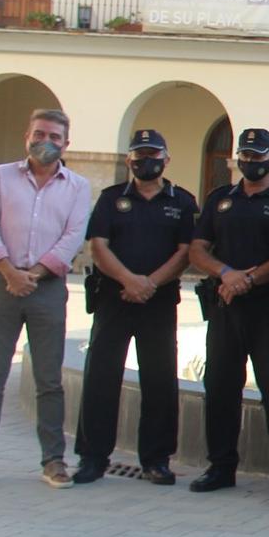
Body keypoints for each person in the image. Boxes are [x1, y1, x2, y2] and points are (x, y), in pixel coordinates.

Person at [0, 109, 93, 489]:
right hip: (2, 283)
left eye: (54, 137)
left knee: (49, 381)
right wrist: (11, 272)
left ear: (66, 143)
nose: (45, 142)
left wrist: (36, 274)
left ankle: (53, 461)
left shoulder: (77, 186)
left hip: (46, 288)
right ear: (26, 136)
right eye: (39, 134)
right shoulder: (0, 177)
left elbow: (73, 235)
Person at [72, 129, 198, 486]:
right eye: (139, 155)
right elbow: (99, 245)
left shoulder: (183, 202)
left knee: (159, 379)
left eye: (153, 154)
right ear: (129, 160)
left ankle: (156, 460)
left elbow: (186, 252)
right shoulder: (111, 199)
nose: (146, 161)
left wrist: (149, 284)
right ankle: (93, 457)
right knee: (101, 377)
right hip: (114, 298)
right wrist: (129, 280)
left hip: (158, 302)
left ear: (166, 160)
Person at [189, 128, 269, 493]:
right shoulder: (220, 199)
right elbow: (198, 248)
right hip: (225, 306)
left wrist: (250, 279)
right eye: (246, 155)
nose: (252, 161)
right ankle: (220, 466)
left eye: (259, 155)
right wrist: (226, 274)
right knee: (219, 387)